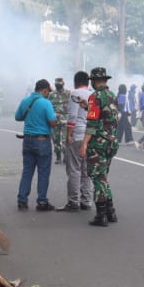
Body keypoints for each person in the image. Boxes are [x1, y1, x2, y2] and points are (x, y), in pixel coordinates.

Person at [81, 67, 120, 227]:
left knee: (98, 178)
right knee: (103, 177)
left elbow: (91, 124)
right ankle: (111, 212)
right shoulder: (112, 95)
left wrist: (84, 143)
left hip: (97, 144)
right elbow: (108, 117)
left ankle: (101, 215)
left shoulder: (94, 97)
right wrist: (87, 108)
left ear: (94, 81)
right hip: (111, 142)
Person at [14, 78, 58, 211]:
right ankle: (42, 201)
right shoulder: (46, 103)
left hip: (27, 140)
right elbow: (52, 122)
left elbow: (18, 117)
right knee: (43, 172)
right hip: (42, 141)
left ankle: (22, 200)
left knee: (27, 171)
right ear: (44, 90)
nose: (48, 94)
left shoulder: (25, 100)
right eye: (48, 92)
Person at [61, 70, 94, 212]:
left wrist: (68, 135)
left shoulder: (75, 93)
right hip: (90, 136)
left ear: (76, 82)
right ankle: (86, 201)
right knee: (87, 170)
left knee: (74, 169)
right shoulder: (93, 94)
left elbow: (72, 116)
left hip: (78, 135)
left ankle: (74, 201)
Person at [49, 77, 68, 164]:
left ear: (63, 84)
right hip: (55, 121)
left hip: (65, 121)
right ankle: (58, 157)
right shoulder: (52, 95)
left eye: (59, 84)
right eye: (57, 84)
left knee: (65, 140)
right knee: (56, 140)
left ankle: (66, 157)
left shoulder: (68, 94)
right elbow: (48, 107)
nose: (58, 85)